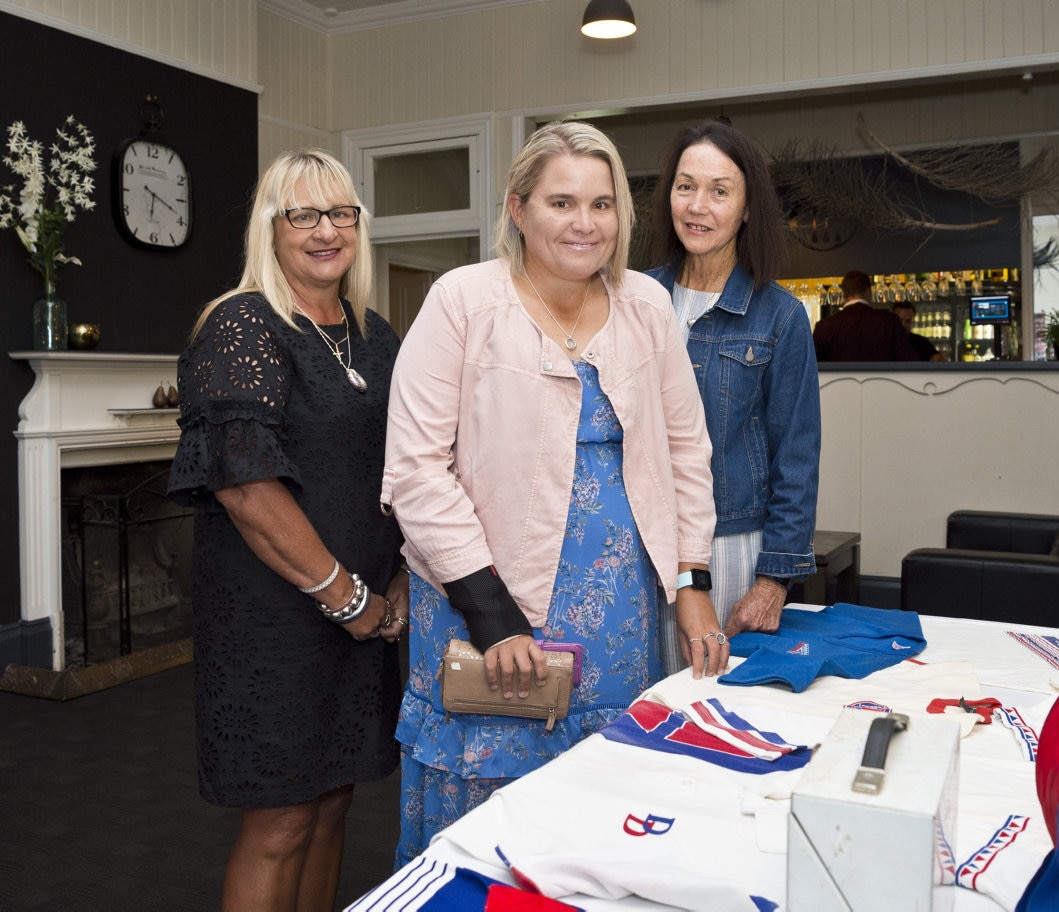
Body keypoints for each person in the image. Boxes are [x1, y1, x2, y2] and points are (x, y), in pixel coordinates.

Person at [382, 121, 727, 866]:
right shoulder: (463, 301)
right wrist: (492, 614)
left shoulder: (645, 305)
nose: (585, 223)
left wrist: (691, 579)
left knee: (597, 817)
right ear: (517, 208)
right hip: (485, 605)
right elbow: (414, 468)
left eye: (602, 205)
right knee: (489, 825)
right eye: (562, 202)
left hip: (619, 618)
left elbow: (684, 449)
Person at [167, 149, 408, 912]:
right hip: (274, 617)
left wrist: (395, 579)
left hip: (365, 614)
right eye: (303, 214)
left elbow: (407, 464)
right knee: (280, 819)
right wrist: (347, 597)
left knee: (334, 801)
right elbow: (247, 488)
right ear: (269, 229)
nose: (325, 230)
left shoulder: (374, 333)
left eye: (340, 213)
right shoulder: (241, 325)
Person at [646, 119, 822, 675]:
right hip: (636, 546)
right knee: (636, 712)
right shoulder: (633, 298)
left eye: (719, 191)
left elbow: (796, 456)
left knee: (713, 714)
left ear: (747, 209)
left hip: (729, 548)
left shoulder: (780, 316)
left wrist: (773, 581)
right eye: (685, 186)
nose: (698, 206)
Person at [812, 270, 919, 362]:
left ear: (843, 296)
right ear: (869, 292)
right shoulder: (889, 321)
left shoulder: (824, 326)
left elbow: (811, 367)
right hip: (883, 384)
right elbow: (909, 360)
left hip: (838, 385)